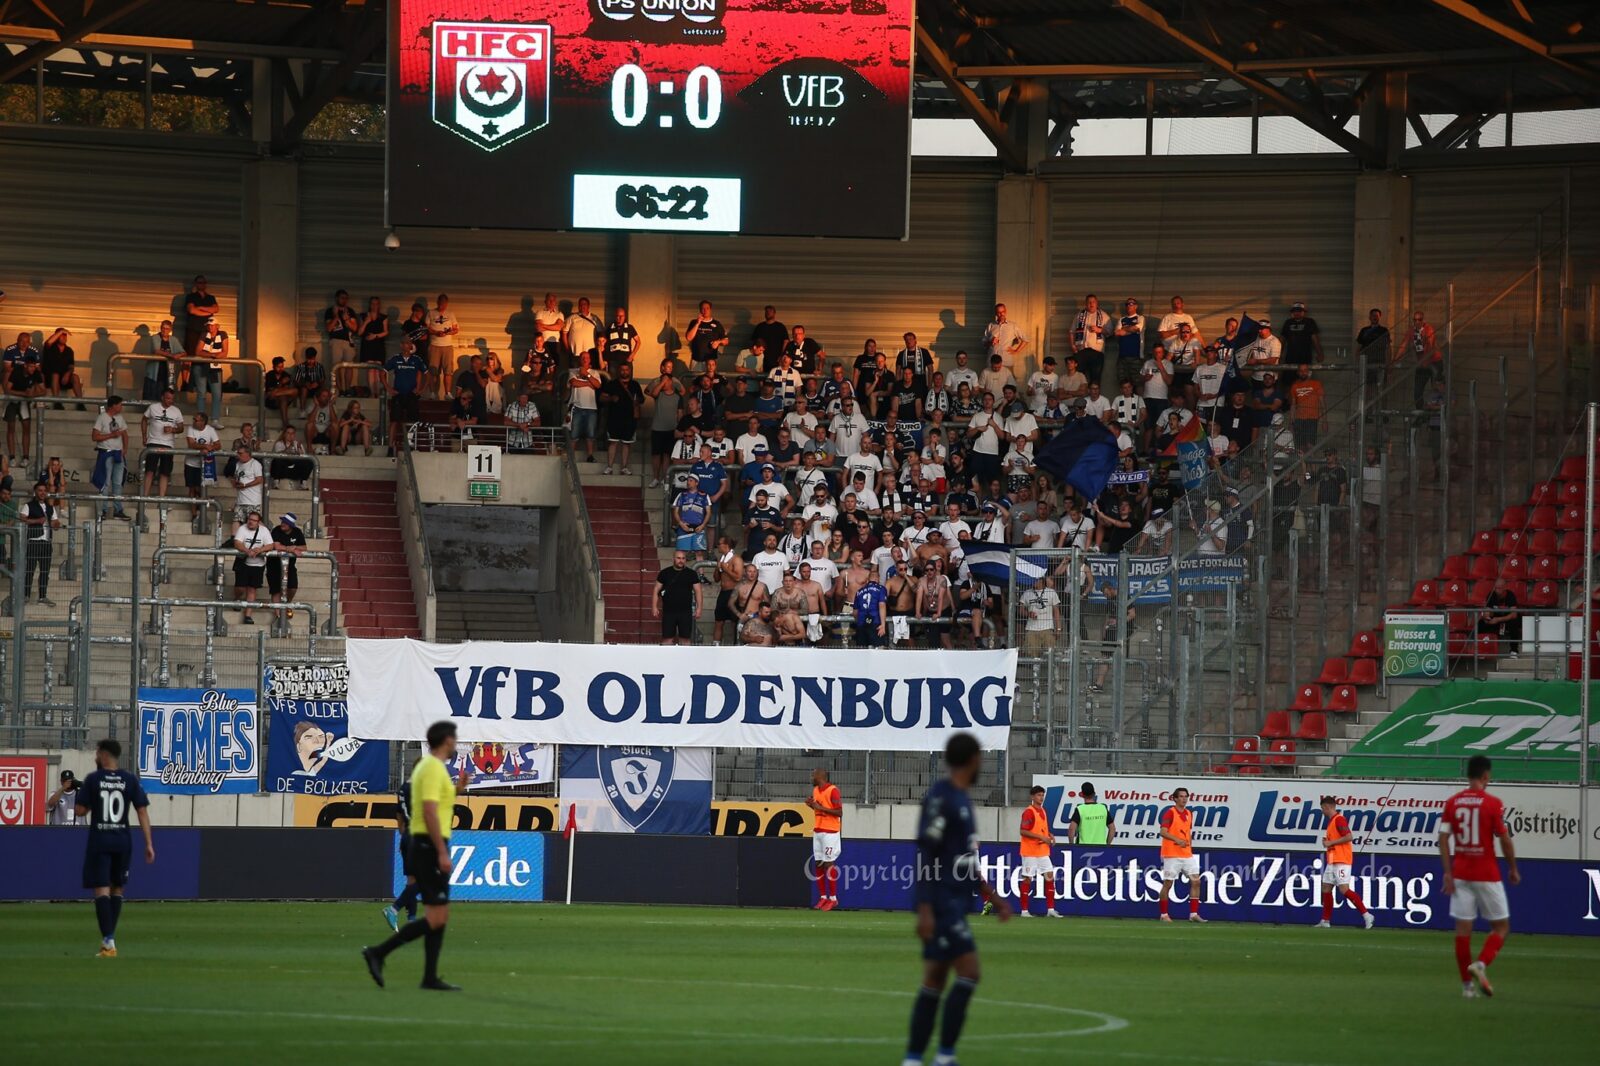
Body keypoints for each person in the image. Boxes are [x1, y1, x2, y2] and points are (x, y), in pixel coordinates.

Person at [901, 732, 1010, 1066]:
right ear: (973, 759)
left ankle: (915, 1058)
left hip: (954, 902)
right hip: (942, 904)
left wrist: (991, 894)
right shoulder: (942, 797)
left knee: (934, 978)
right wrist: (924, 909)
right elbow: (926, 852)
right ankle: (944, 1055)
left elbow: (965, 859)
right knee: (969, 973)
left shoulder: (961, 799)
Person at [363, 720, 470, 991]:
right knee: (436, 917)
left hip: (425, 844)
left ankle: (429, 977)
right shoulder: (433, 768)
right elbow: (431, 810)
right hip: (428, 845)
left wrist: (458, 789)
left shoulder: (428, 767)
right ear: (446, 740)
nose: (455, 743)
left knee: (439, 915)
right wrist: (442, 851)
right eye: (453, 739)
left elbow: (437, 801)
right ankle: (379, 953)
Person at [1440, 755, 1519, 998]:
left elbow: (1442, 838)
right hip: (1486, 873)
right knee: (1501, 927)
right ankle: (1481, 963)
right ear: (1485, 776)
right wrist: (1513, 867)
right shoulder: (1493, 803)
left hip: (1461, 873)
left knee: (1462, 931)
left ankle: (1467, 987)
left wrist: (1447, 873)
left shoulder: (1453, 803)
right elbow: (1504, 839)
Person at [74, 738, 154, 957]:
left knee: (101, 889)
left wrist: (90, 801)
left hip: (100, 840)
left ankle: (108, 941)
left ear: (104, 754)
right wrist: (148, 843)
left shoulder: (93, 779)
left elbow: (80, 811)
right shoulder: (129, 779)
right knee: (118, 887)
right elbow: (142, 812)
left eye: (97, 752)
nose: (95, 756)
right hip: (122, 841)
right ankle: (109, 939)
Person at [1315, 796, 1374, 929]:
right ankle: (1325, 920)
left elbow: (1349, 837)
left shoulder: (1339, 819)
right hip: (1333, 860)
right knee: (1326, 887)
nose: (1322, 812)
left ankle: (1366, 915)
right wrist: (1327, 843)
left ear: (1327, 807)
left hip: (1342, 860)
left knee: (1344, 889)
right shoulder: (1332, 821)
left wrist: (1330, 842)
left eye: (1322, 809)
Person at [1157, 786, 1206, 922]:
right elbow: (1163, 831)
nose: (1184, 799)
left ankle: (1193, 914)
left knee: (1196, 881)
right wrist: (1177, 840)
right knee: (1168, 884)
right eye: (1181, 796)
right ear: (1175, 798)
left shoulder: (1189, 813)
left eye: (1186, 796)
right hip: (1172, 854)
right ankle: (1164, 914)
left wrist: (1189, 846)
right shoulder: (1170, 813)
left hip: (1186, 854)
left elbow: (1188, 832)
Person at [381, 777, 418, 931]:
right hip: (418, 836)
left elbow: (398, 813)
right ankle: (394, 909)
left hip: (407, 835)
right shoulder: (421, 788)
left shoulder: (403, 788)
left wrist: (402, 833)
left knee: (412, 882)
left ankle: (411, 920)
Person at [1016, 785, 1057, 918]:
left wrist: (1049, 835)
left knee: (1050, 876)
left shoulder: (1043, 810)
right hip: (1030, 851)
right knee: (1027, 879)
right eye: (1039, 795)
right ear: (1032, 797)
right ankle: (1024, 911)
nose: (1041, 797)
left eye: (1042, 795)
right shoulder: (1029, 812)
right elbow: (1023, 831)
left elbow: (1041, 828)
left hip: (1042, 850)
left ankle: (1050, 909)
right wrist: (1041, 837)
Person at [807, 768, 844, 911]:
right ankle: (823, 897)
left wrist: (820, 808)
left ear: (820, 776)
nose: (811, 777)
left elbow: (839, 812)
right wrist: (812, 806)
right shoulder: (816, 790)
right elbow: (819, 810)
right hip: (818, 830)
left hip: (830, 832)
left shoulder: (833, 790)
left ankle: (833, 899)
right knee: (818, 863)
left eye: (813, 774)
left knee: (829, 863)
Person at [599, 362, 644, 475]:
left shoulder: (635, 385)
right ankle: (609, 466)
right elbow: (602, 397)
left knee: (626, 443)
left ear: (630, 371)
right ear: (619, 371)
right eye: (622, 369)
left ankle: (624, 467)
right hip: (614, 417)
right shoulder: (612, 384)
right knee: (613, 442)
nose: (624, 372)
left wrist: (636, 401)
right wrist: (611, 398)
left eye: (626, 369)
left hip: (630, 418)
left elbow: (642, 399)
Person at [91, 395, 131, 520]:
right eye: (119, 404)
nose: (121, 407)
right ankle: (102, 510)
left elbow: (125, 434)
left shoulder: (120, 418)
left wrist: (125, 449)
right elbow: (95, 436)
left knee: (118, 483)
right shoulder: (102, 417)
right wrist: (111, 435)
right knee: (105, 482)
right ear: (113, 405)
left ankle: (118, 509)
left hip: (118, 453)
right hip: (106, 453)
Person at [21, 481, 60, 605]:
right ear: (35, 492)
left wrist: (56, 524)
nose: (42, 493)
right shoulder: (28, 505)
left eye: (44, 490)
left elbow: (55, 523)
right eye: (40, 490)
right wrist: (37, 521)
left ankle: (43, 596)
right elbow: (22, 519)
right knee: (29, 570)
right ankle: (26, 595)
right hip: (33, 541)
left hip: (46, 543)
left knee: (45, 571)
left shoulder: (50, 507)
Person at [653, 550, 703, 646]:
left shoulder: (691, 574)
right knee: (667, 640)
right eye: (678, 558)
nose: (681, 560)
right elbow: (656, 590)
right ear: (673, 559)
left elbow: (698, 591)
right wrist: (654, 606)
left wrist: (699, 608)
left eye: (683, 558)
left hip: (685, 612)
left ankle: (685, 660)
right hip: (668, 612)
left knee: (685, 640)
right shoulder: (664, 573)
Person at [141, 386, 182, 499]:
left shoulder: (176, 411)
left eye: (172, 399)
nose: (170, 401)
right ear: (162, 397)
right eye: (168, 398)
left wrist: (173, 429)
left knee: (165, 472)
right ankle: (145, 496)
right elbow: (144, 419)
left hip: (168, 444)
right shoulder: (153, 407)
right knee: (149, 470)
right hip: (153, 442)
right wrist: (144, 436)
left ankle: (161, 497)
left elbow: (181, 427)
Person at [232, 510, 273, 624]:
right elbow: (237, 542)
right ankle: (237, 598)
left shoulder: (264, 531)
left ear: (258, 522)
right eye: (250, 519)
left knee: (252, 589)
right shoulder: (242, 528)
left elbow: (270, 545)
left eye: (254, 520)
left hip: (258, 565)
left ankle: (248, 615)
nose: (251, 522)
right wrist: (247, 551)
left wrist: (260, 549)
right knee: (240, 588)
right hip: (243, 563)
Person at [268, 512, 307, 623]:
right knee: (276, 591)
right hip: (274, 565)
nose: (282, 524)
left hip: (290, 565)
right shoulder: (276, 530)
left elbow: (304, 547)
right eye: (282, 521)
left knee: (293, 587)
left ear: (290, 525)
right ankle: (278, 615)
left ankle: (287, 603)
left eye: (285, 522)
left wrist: (294, 547)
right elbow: (276, 545)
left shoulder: (297, 532)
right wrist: (288, 548)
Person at [426, 295, 459, 399]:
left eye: (444, 303)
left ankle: (447, 393)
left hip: (447, 346)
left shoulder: (450, 314)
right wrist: (436, 332)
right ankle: (432, 393)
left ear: (447, 303)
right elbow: (426, 328)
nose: (442, 305)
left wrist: (449, 332)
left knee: (448, 370)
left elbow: (456, 329)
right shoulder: (431, 313)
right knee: (433, 371)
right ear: (437, 302)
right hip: (434, 345)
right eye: (440, 302)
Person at [1479, 578, 1520, 657]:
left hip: (1506, 619)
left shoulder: (1510, 595)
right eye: (1496, 588)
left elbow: (1514, 614)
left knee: (1514, 622)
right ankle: (1482, 649)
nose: (1497, 590)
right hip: (1495, 619)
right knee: (1481, 624)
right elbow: (1487, 611)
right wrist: (1486, 617)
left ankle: (1514, 650)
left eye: (1499, 588)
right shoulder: (1491, 594)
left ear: (1505, 587)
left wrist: (1498, 620)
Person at [1067, 781, 1114, 846]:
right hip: (1101, 847)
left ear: (1082, 794)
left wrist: (1071, 844)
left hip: (1083, 847)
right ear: (1094, 794)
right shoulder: (1103, 808)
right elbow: (1112, 828)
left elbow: (1072, 829)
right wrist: (1107, 844)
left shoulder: (1080, 809)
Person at [852, 572, 888, 647]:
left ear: (868, 580)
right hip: (875, 622)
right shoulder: (881, 588)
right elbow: (882, 605)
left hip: (861, 623)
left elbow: (855, 612)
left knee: (861, 651)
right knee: (878, 650)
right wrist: (883, 625)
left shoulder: (859, 591)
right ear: (877, 579)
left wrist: (859, 622)